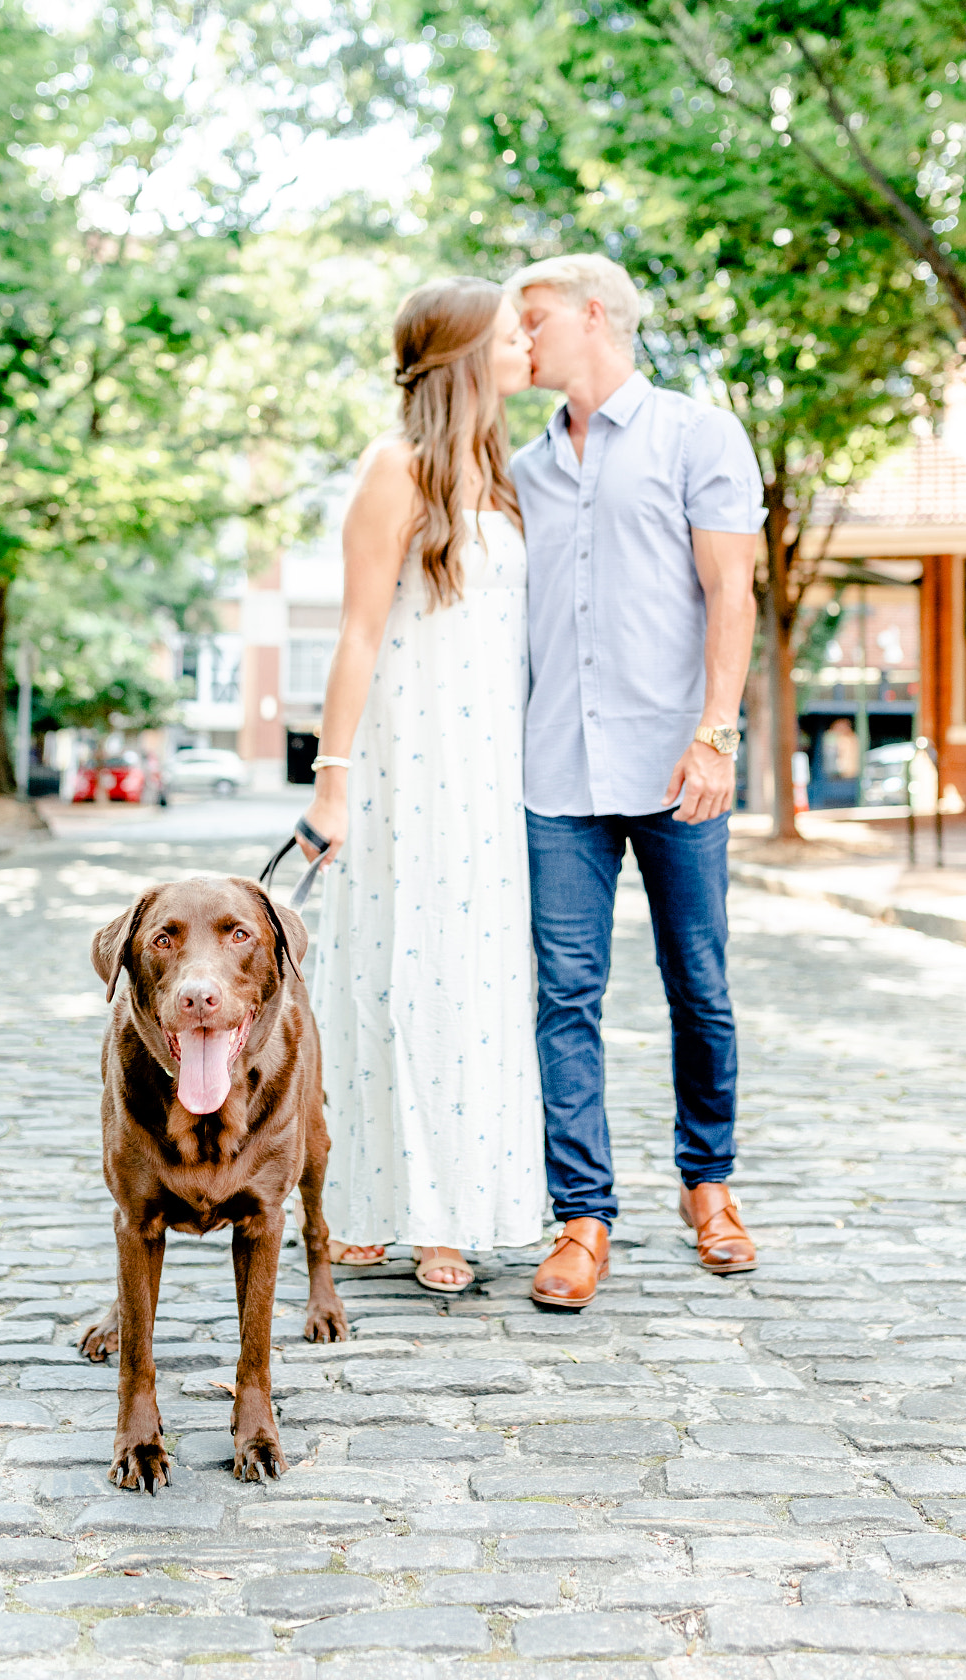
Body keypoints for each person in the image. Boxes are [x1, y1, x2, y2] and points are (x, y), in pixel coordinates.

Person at [507, 253, 764, 1306]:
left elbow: (731, 592)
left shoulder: (695, 434)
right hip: (557, 769)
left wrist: (716, 734)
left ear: (594, 314)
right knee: (564, 995)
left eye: (534, 318)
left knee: (697, 983)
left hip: (674, 765)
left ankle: (710, 1186)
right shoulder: (521, 467)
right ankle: (582, 1218)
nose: (518, 339)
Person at [298, 277, 546, 1294]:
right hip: (409, 759)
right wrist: (331, 779)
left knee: (475, 986)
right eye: (510, 331)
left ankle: (453, 1204)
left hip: (491, 771)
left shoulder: (510, 474)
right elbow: (357, 630)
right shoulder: (395, 468)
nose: (528, 342)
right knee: (388, 972)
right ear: (463, 355)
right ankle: (369, 1198)